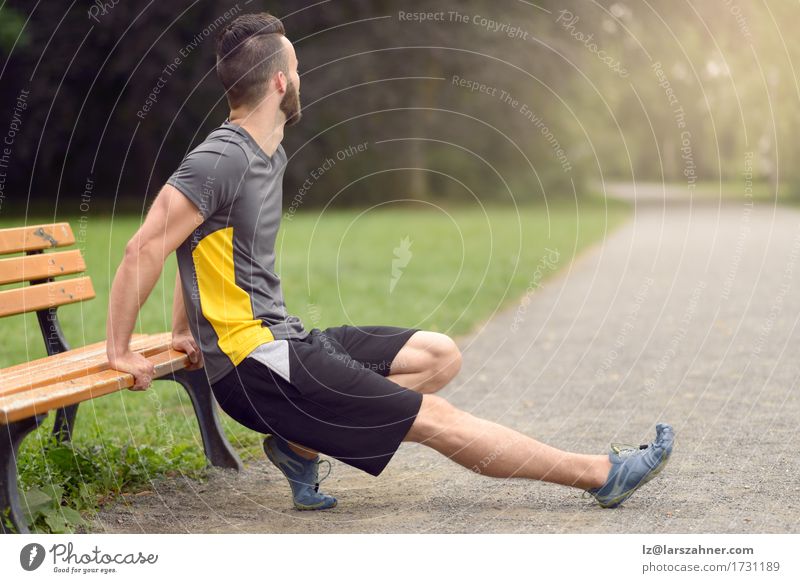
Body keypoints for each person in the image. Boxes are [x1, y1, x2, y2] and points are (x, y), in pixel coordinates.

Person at [105, 12, 673, 512]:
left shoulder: (265, 152)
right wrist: (120, 349)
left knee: (437, 356)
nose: (300, 78)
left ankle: (298, 445)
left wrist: (187, 329)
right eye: (296, 68)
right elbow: (147, 244)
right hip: (258, 365)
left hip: (283, 340)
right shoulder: (222, 157)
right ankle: (600, 474)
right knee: (435, 417)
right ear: (280, 81)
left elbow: (199, 243)